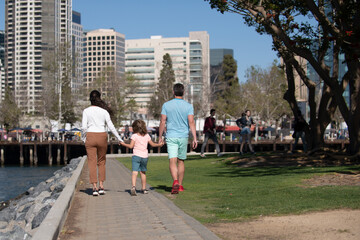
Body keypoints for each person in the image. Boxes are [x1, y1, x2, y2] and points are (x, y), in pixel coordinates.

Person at [82, 90, 124, 197]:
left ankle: (94, 188)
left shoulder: (86, 111)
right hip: (101, 135)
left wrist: (84, 139)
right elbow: (111, 126)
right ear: (99, 98)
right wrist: (119, 138)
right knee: (101, 161)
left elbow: (83, 127)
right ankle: (101, 186)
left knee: (91, 162)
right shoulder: (104, 112)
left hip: (90, 135)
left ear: (90, 99)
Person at [159, 83, 197, 194]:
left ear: (173, 92)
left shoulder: (166, 105)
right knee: (181, 162)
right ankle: (180, 185)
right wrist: (194, 138)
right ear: (184, 93)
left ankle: (175, 181)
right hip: (183, 136)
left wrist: (160, 136)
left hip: (171, 136)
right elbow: (191, 122)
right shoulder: (189, 106)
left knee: (172, 160)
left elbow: (162, 121)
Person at [120, 119, 163, 196]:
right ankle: (144, 189)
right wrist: (159, 145)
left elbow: (131, 146)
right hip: (144, 157)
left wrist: (123, 144)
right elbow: (153, 145)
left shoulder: (134, 136)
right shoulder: (147, 136)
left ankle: (133, 187)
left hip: (136, 156)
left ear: (134, 128)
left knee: (135, 172)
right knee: (143, 172)